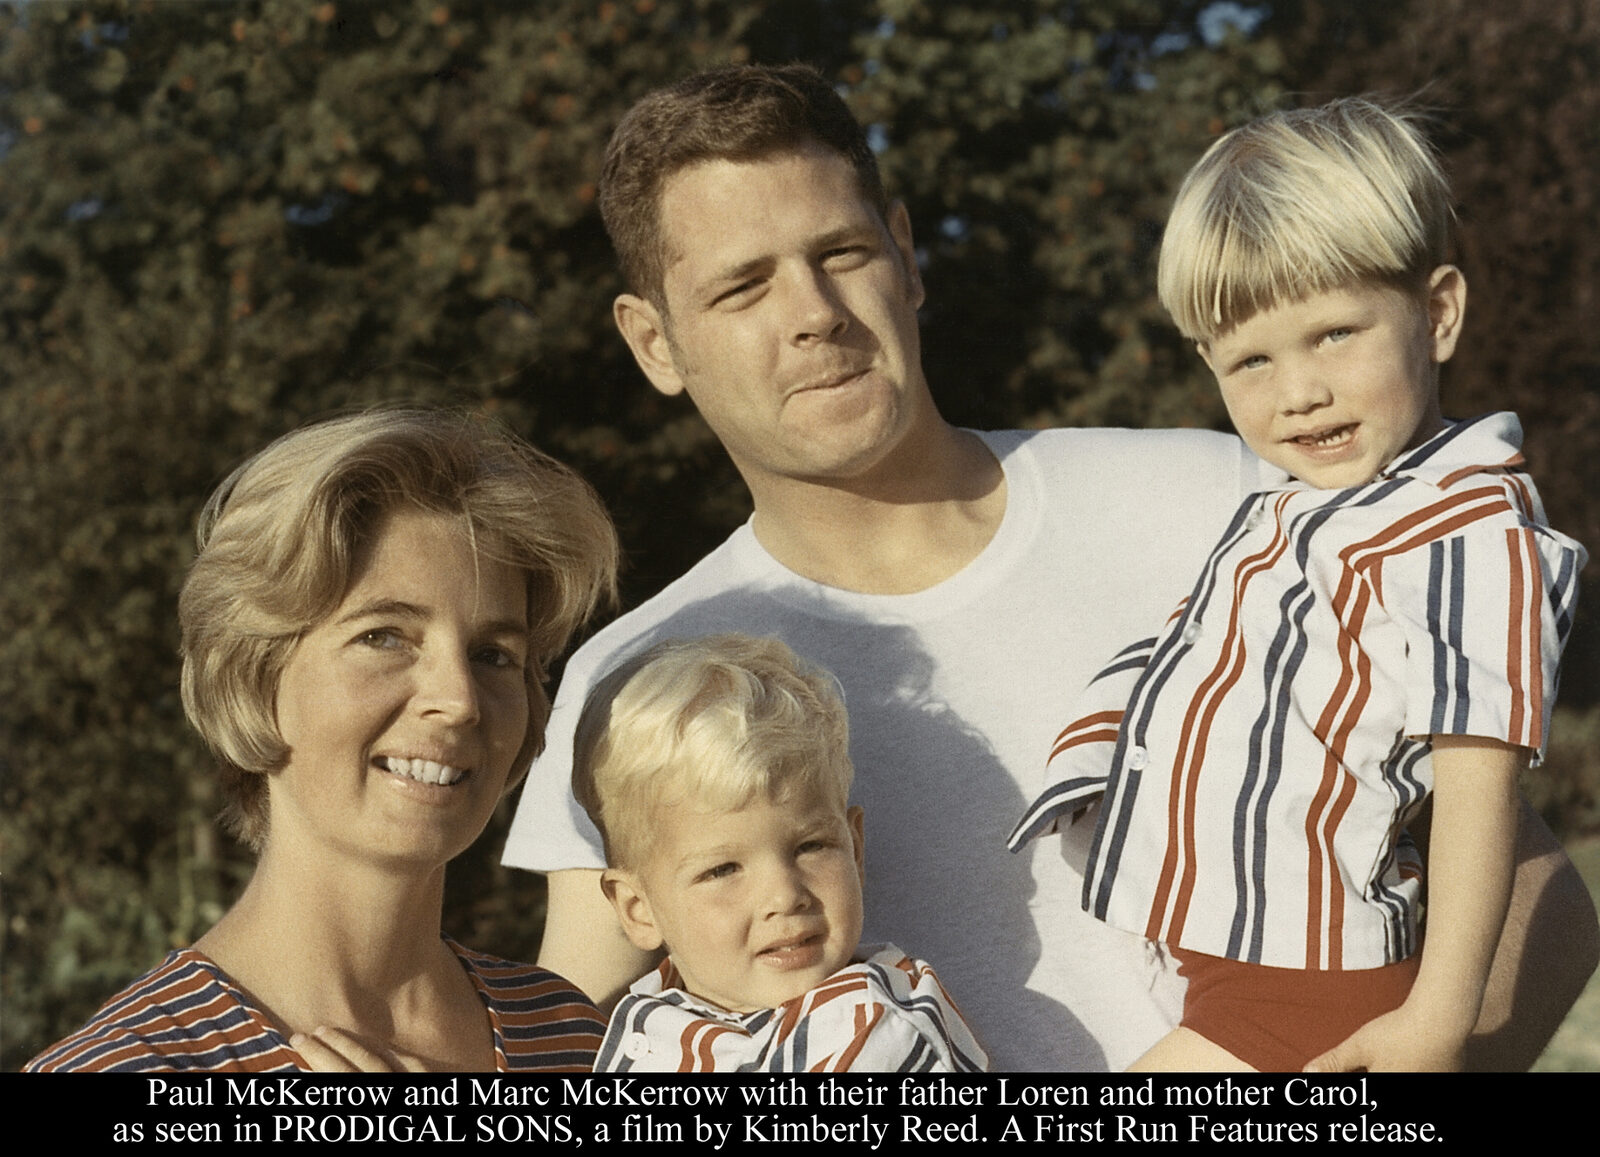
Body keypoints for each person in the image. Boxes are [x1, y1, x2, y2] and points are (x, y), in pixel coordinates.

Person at [501, 64, 1599, 1070]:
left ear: (904, 253)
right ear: (653, 342)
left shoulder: (1239, 504)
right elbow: (570, 1033)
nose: (814, 316)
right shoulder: (645, 677)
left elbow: (1529, 880)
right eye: (741, 288)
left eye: (840, 254)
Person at [1009, 99, 1587, 1072]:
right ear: (1206, 361)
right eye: (1251, 359)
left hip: (1307, 981)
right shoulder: (1308, 503)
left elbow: (1475, 785)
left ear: (1437, 312)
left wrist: (1437, 1018)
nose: (1297, 390)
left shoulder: (1464, 528)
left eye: (1333, 334)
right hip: (1238, 958)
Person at [27, 409, 618, 1072]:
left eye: (493, 653)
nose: (458, 700)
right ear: (255, 676)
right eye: (384, 636)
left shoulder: (578, 1038)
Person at [573, 634, 987, 1072]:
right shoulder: (655, 1014)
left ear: (856, 848)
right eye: (722, 870)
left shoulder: (874, 1029)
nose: (784, 896)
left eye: (811, 846)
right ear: (639, 909)